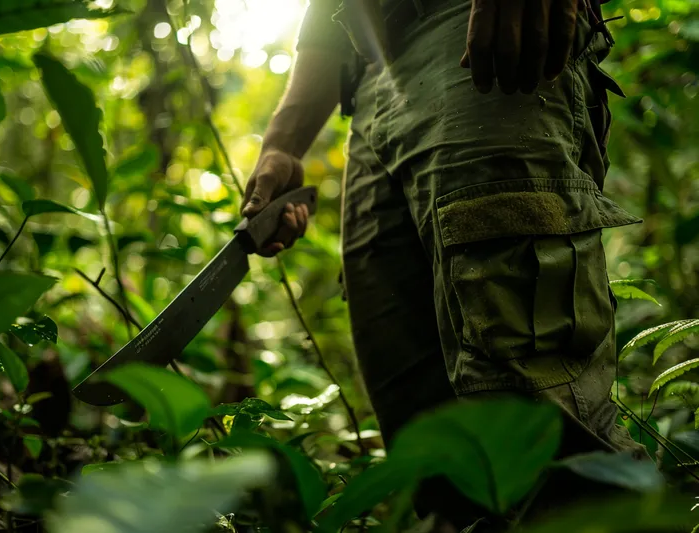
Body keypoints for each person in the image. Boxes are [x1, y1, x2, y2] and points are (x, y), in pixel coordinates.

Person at [240, 0, 650, 530]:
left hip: (481, 35)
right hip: (371, 77)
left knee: (537, 417)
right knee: (430, 440)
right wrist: (283, 141)